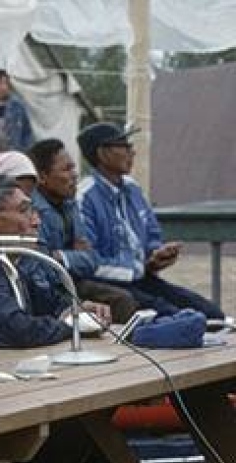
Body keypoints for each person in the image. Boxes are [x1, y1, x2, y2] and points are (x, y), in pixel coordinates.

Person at [0, 177, 112, 350]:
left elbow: (47, 306)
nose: (37, 221)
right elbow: (17, 330)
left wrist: (76, 311)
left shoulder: (13, 257)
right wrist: (72, 325)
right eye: (24, 211)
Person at [76, 123, 224, 318]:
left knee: (212, 314)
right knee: (179, 318)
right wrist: (138, 268)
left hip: (143, 280)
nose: (132, 152)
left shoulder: (132, 188)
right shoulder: (84, 196)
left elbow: (152, 234)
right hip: (110, 285)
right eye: (124, 146)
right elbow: (89, 262)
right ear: (102, 154)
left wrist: (156, 255)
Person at [28, 138, 137, 323]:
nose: (74, 175)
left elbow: (91, 259)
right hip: (50, 287)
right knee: (121, 300)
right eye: (66, 169)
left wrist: (61, 256)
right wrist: (72, 254)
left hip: (74, 280)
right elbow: (43, 264)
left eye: (74, 168)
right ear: (43, 177)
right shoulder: (33, 210)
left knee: (125, 299)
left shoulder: (69, 204)